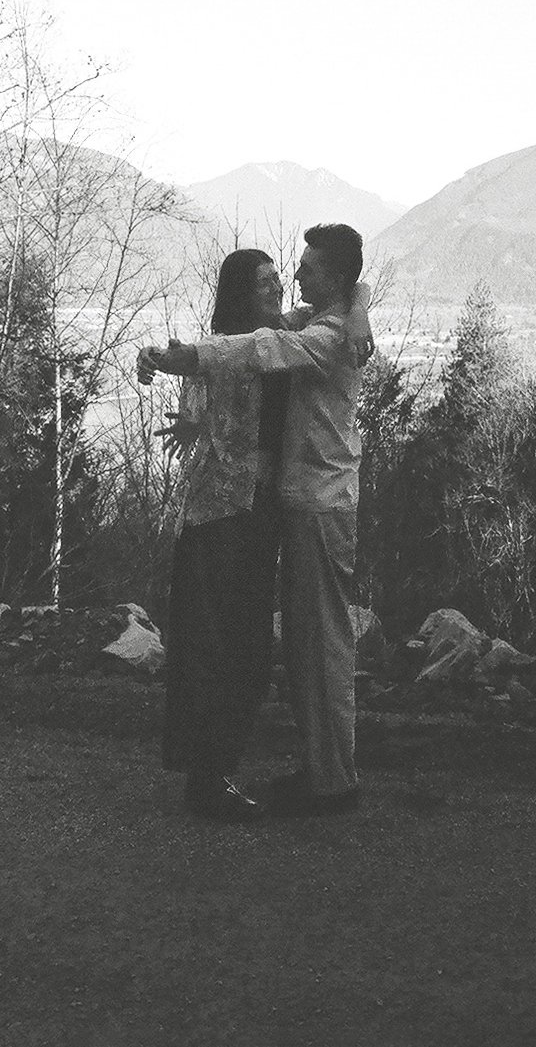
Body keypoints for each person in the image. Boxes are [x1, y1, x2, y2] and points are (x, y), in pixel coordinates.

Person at [140, 224, 370, 819]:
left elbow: (256, 350)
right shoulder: (299, 327)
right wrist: (192, 395)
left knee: (293, 644)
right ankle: (257, 776)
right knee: (246, 643)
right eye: (269, 281)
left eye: (301, 272)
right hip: (237, 515)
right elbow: (235, 359)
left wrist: (185, 359)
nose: (291, 283)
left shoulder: (316, 335)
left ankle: (326, 778)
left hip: (298, 508)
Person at [156, 248, 289, 823]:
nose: (277, 287)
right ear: (240, 292)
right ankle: (207, 776)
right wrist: (192, 421)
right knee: (214, 643)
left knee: (247, 645)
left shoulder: (281, 339)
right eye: (264, 283)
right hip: (217, 514)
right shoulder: (223, 348)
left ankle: (216, 768)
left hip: (257, 511)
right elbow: (199, 397)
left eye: (277, 277)